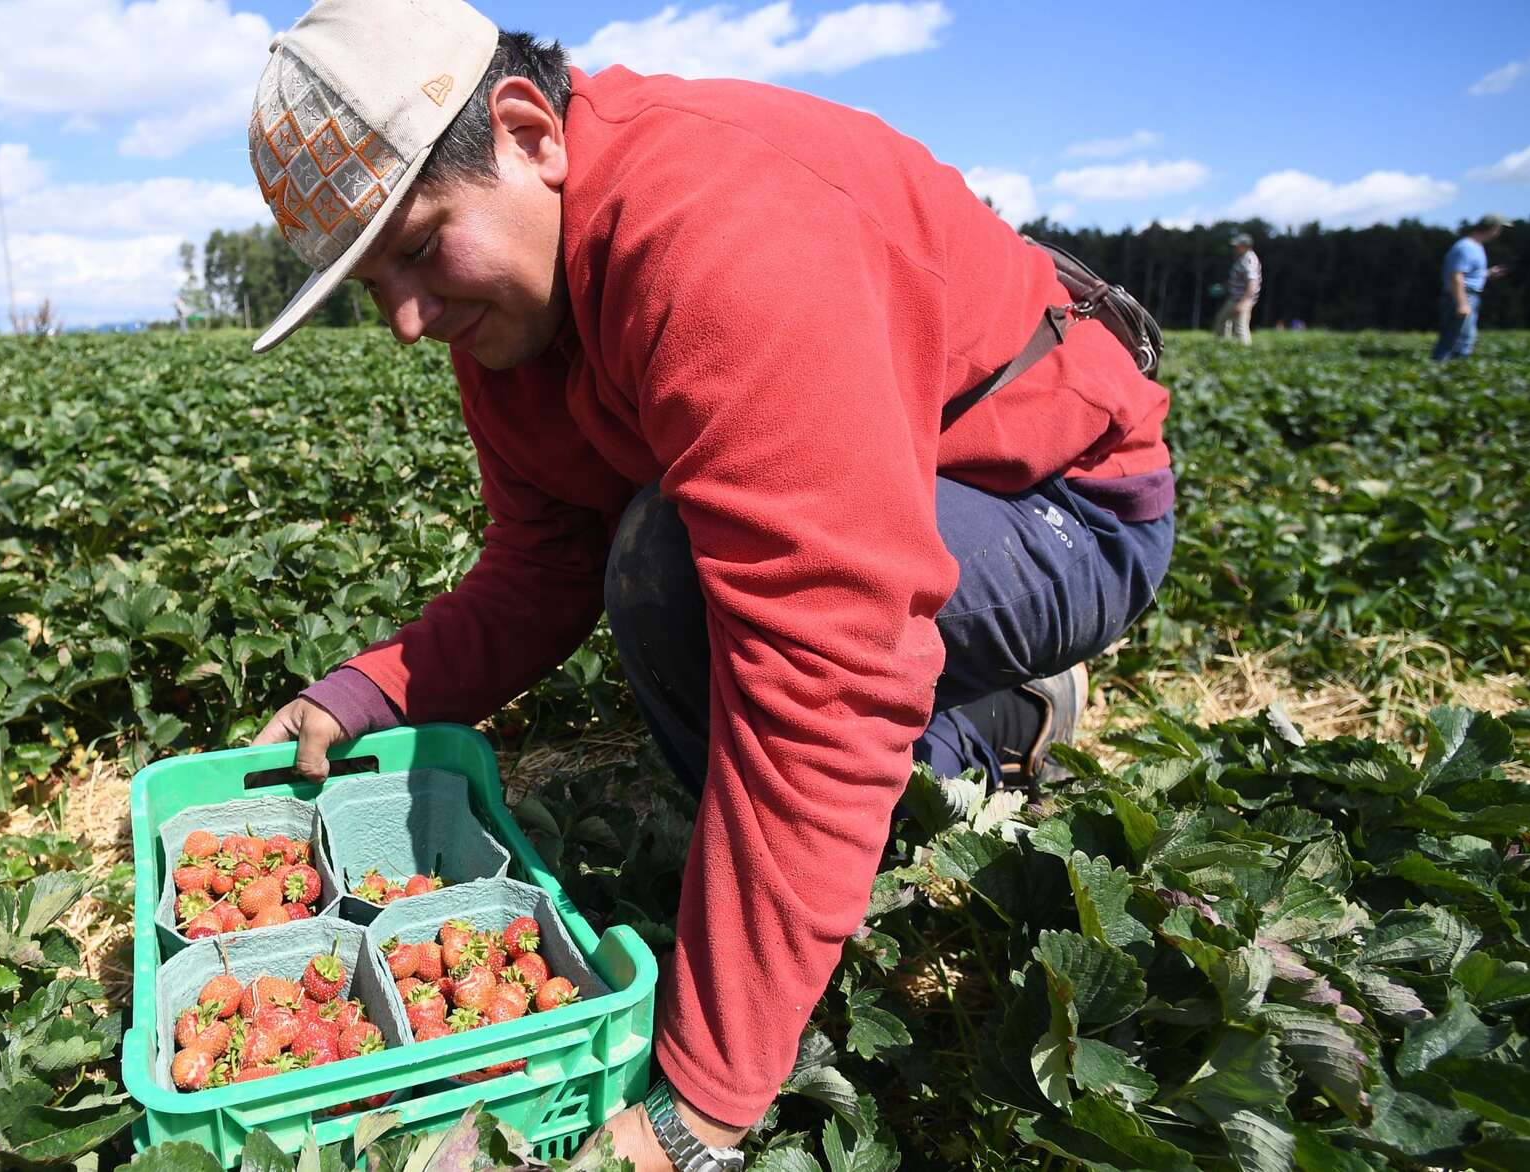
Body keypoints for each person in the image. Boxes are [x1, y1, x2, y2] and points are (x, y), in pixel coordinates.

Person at [245, 2, 1176, 1166]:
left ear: (532, 135)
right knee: (662, 563)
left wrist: (701, 1101)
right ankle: (990, 717)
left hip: (1059, 505)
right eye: (371, 282)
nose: (403, 318)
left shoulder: (716, 227)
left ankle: (990, 721)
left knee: (687, 576)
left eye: (420, 246)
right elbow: (543, 561)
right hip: (899, 489)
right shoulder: (511, 320)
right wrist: (363, 694)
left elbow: (825, 664)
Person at [1433, 213, 1509, 361]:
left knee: (1465, 339)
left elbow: (1468, 274)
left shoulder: (1476, 247)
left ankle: (1453, 373)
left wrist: (1487, 273)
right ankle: (1441, 370)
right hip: (1462, 295)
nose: (1499, 232)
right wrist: (1462, 304)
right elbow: (1456, 275)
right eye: (1499, 228)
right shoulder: (1465, 247)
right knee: (1456, 340)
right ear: (1492, 228)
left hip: (1469, 295)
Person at [1213, 232, 1260, 344]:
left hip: (1242, 299)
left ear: (1245, 246)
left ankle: (1245, 355)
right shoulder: (1241, 258)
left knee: (1240, 328)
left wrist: (1243, 303)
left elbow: (1253, 284)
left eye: (1237, 245)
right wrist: (1224, 286)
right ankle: (1224, 346)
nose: (1235, 247)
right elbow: (1238, 279)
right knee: (1221, 321)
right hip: (1234, 298)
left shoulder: (1248, 260)